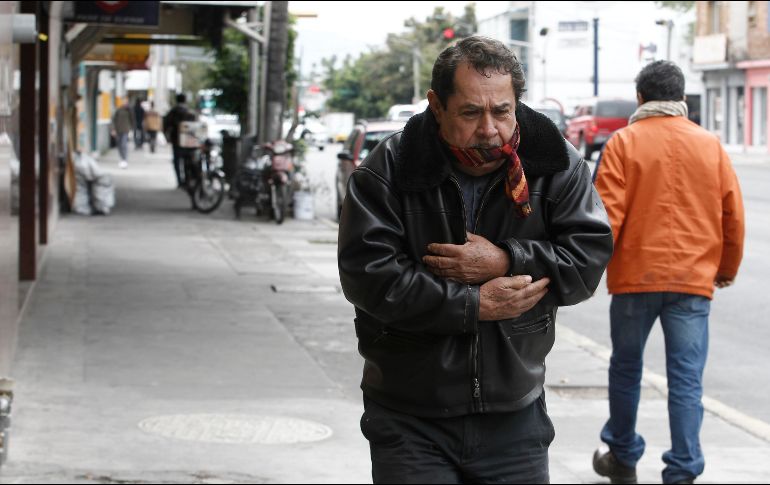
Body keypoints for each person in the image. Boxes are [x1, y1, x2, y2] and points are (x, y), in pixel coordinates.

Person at [337, 36, 614, 484]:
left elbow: (586, 261)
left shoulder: (556, 164)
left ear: (516, 103)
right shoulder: (386, 170)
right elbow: (369, 277)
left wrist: (508, 258)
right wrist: (472, 305)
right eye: (470, 112)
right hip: (410, 416)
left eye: (502, 111)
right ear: (436, 105)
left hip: (515, 413)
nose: (489, 129)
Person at [591, 60, 745, 485]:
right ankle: (682, 469)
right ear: (681, 100)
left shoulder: (623, 143)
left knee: (625, 367)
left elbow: (607, 218)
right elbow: (732, 214)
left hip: (634, 279)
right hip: (693, 281)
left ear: (640, 98)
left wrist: (588, 272)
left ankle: (621, 456)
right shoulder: (709, 145)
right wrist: (725, 269)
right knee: (686, 378)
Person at [163, 93, 194, 187]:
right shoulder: (189, 112)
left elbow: (165, 124)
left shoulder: (173, 111)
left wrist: (167, 137)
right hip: (188, 141)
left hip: (176, 139)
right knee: (187, 160)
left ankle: (180, 181)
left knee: (177, 160)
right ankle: (187, 179)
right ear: (185, 100)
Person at [110, 101, 135, 169]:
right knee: (119, 145)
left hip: (126, 130)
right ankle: (121, 158)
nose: (125, 103)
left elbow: (132, 120)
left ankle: (124, 159)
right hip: (118, 130)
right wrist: (113, 129)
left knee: (124, 144)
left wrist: (131, 129)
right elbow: (113, 120)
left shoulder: (129, 111)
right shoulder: (118, 110)